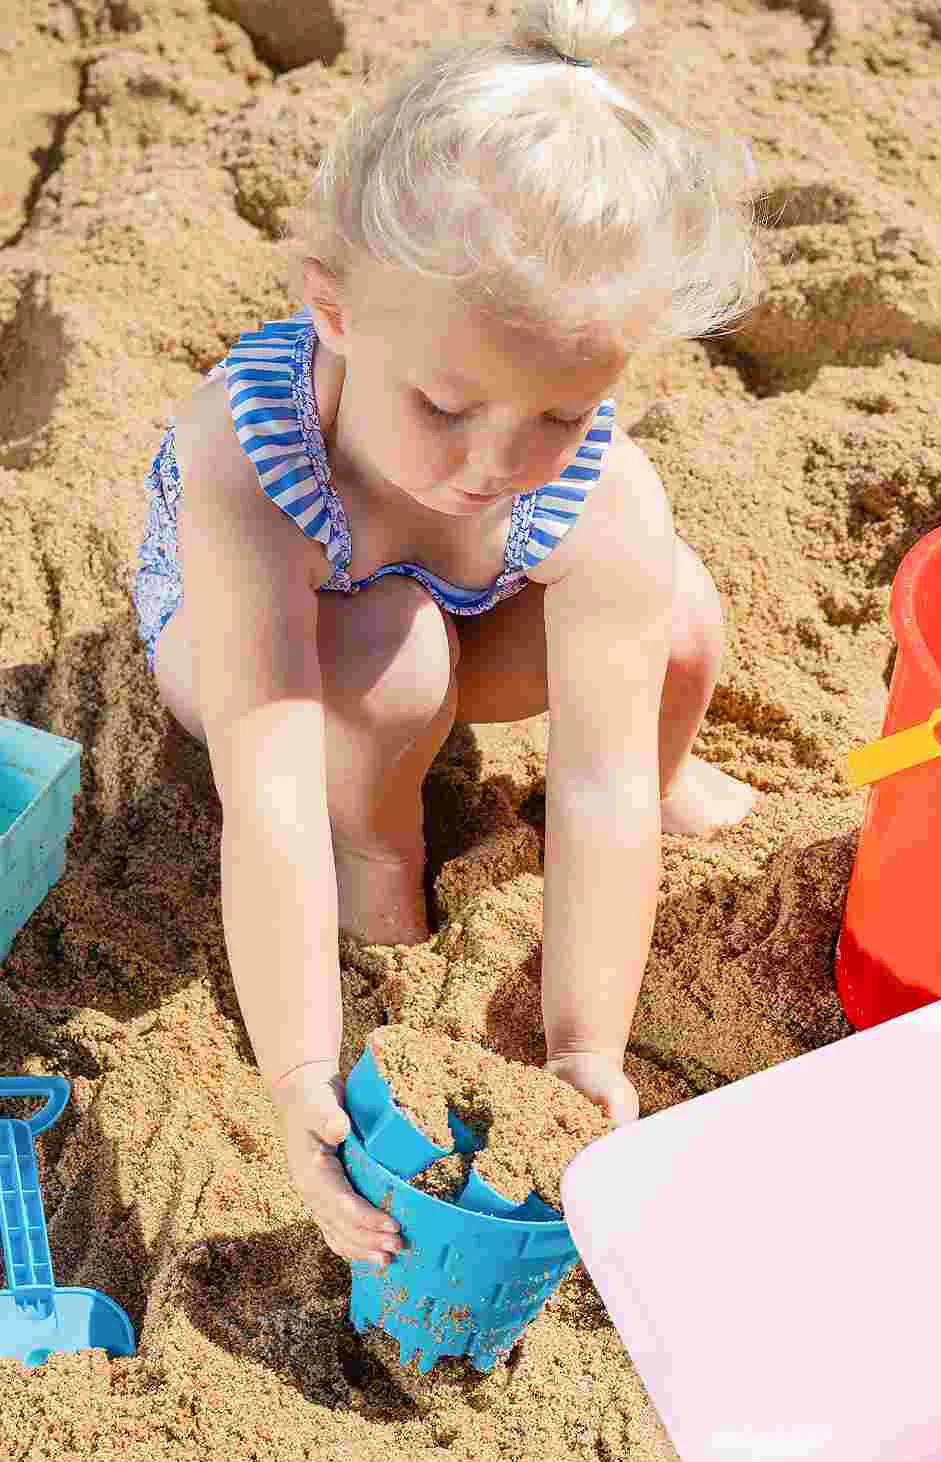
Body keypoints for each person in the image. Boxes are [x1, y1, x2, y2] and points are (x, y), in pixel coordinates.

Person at [130, 0, 762, 1270]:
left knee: (678, 617)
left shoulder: (593, 487)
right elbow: (262, 785)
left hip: (467, 609)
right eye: (447, 404)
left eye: (560, 416)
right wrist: (300, 1069)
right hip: (260, 646)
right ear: (336, 308)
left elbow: (591, 791)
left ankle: (673, 762)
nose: (496, 464)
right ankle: (379, 847)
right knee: (390, 662)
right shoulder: (245, 461)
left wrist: (586, 1046)